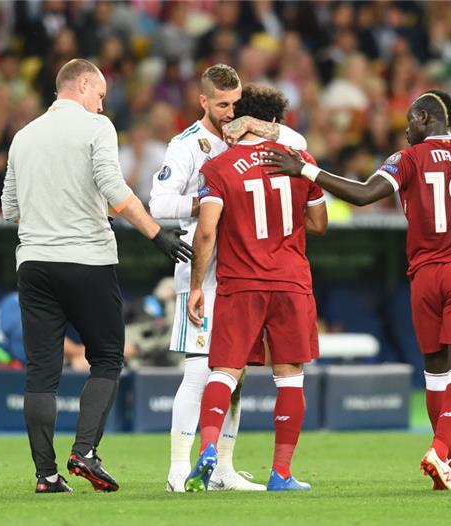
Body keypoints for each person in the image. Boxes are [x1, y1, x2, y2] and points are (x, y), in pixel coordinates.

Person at [263, 89, 451, 491]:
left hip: (425, 276)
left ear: (425, 118)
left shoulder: (408, 159)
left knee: (435, 375)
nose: (405, 131)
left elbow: (364, 194)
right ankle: (439, 450)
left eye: (409, 122)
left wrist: (306, 170)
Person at [1, 58, 192, 495]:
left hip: (34, 263)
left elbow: (10, 208)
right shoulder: (96, 128)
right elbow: (113, 189)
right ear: (83, 84)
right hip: (88, 260)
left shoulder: (23, 136)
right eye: (101, 96)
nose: (103, 106)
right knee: (107, 356)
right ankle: (84, 451)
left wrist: (50, 220)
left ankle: (46, 476)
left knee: (41, 372)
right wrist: (156, 234)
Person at [149, 64, 309, 493]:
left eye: (236, 103)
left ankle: (222, 468)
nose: (230, 112)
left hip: (246, 273)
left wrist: (261, 126)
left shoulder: (252, 137)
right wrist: (208, 203)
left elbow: (299, 145)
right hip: (202, 272)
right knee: (199, 372)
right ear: (203, 101)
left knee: (234, 376)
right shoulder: (186, 145)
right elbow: (159, 203)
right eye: (222, 105)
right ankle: (178, 469)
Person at [184, 84, 328, 492]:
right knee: (290, 377)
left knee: (224, 371)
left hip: (240, 283)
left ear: (238, 118)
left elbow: (206, 231)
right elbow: (319, 224)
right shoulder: (299, 160)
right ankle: (281, 473)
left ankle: (207, 450)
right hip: (290, 281)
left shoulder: (218, 168)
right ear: (275, 122)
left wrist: (197, 286)